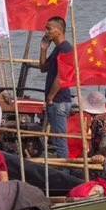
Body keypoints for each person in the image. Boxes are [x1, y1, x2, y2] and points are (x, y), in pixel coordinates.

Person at [37, 16, 74, 159]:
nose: (46, 32)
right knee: (58, 139)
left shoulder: (65, 48)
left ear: (58, 31)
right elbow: (43, 67)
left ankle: (65, 172)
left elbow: (61, 77)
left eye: (49, 28)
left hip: (59, 101)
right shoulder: (57, 49)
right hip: (55, 102)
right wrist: (43, 49)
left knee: (60, 142)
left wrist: (50, 97)